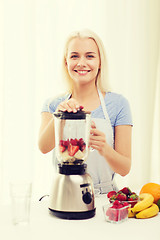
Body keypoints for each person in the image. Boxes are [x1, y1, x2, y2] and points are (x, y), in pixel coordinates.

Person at [38, 29, 132, 193]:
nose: (81, 63)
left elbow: (125, 168)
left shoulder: (119, 104)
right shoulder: (52, 104)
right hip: (65, 193)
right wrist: (59, 115)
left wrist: (105, 148)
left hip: (105, 197)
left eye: (90, 56)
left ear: (100, 62)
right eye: (74, 56)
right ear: (66, 62)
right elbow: (44, 147)